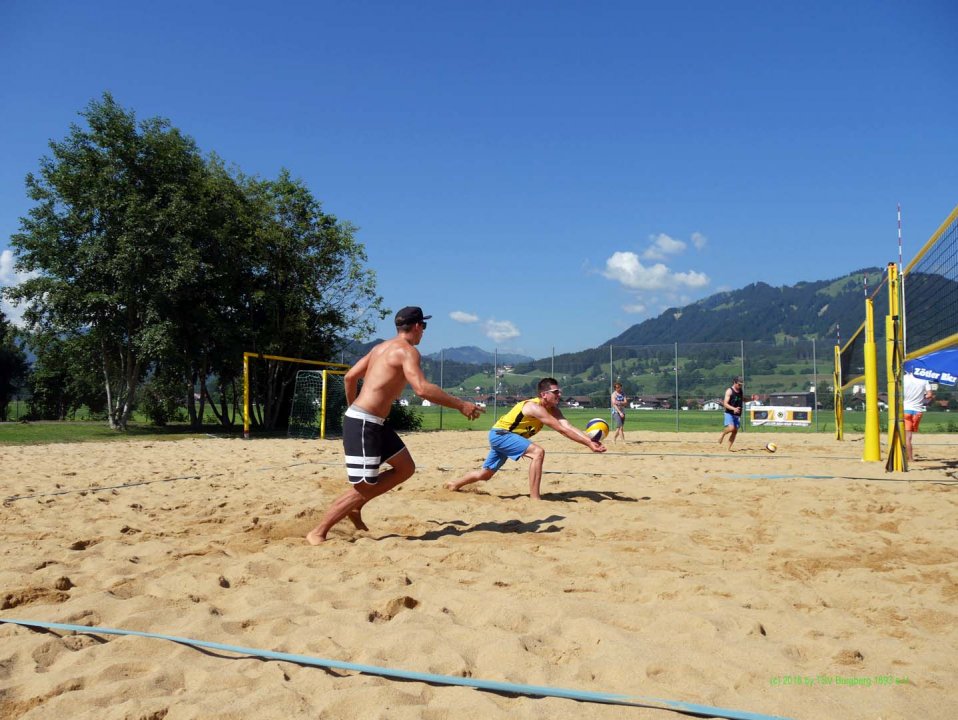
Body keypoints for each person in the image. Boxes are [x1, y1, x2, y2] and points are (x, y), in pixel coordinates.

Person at [306, 307, 483, 544]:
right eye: (425, 327)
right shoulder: (408, 351)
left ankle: (356, 508)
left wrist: (354, 407)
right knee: (363, 488)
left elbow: (350, 377)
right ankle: (318, 531)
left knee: (405, 468)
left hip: (372, 422)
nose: (424, 332)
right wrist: (460, 404)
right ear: (418, 326)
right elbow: (421, 389)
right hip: (365, 423)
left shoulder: (379, 348)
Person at [445, 377, 606, 500]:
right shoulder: (534, 407)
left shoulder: (552, 409)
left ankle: (454, 484)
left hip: (505, 436)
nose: (560, 394)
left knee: (485, 474)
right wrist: (588, 444)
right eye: (556, 392)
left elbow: (567, 426)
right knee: (538, 452)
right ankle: (535, 499)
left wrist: (589, 441)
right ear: (544, 394)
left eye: (559, 391)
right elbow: (561, 430)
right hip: (501, 435)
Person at [902, 370, 934, 462]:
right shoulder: (924, 379)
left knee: (906, 437)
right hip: (917, 411)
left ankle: (910, 458)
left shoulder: (903, 378)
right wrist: (922, 396)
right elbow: (929, 395)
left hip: (906, 409)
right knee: (909, 436)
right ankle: (909, 457)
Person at [718, 376, 744, 450]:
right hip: (729, 413)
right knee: (731, 428)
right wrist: (734, 409)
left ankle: (728, 449)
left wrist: (751, 399)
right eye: (739, 384)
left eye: (741, 384)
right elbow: (725, 404)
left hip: (737, 414)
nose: (740, 386)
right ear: (734, 383)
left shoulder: (741, 391)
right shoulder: (729, 391)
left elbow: (743, 399)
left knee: (735, 431)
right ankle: (722, 434)